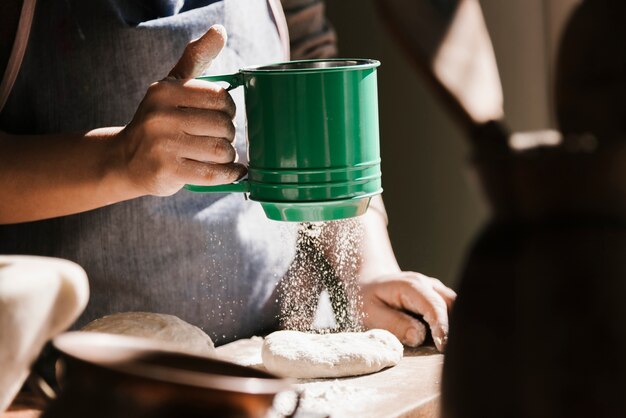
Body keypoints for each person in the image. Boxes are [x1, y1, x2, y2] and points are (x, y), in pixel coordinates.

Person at [0, 0, 455, 351]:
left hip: (271, 357)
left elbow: (320, 94)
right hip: (69, 378)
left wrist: (367, 268)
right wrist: (118, 159)